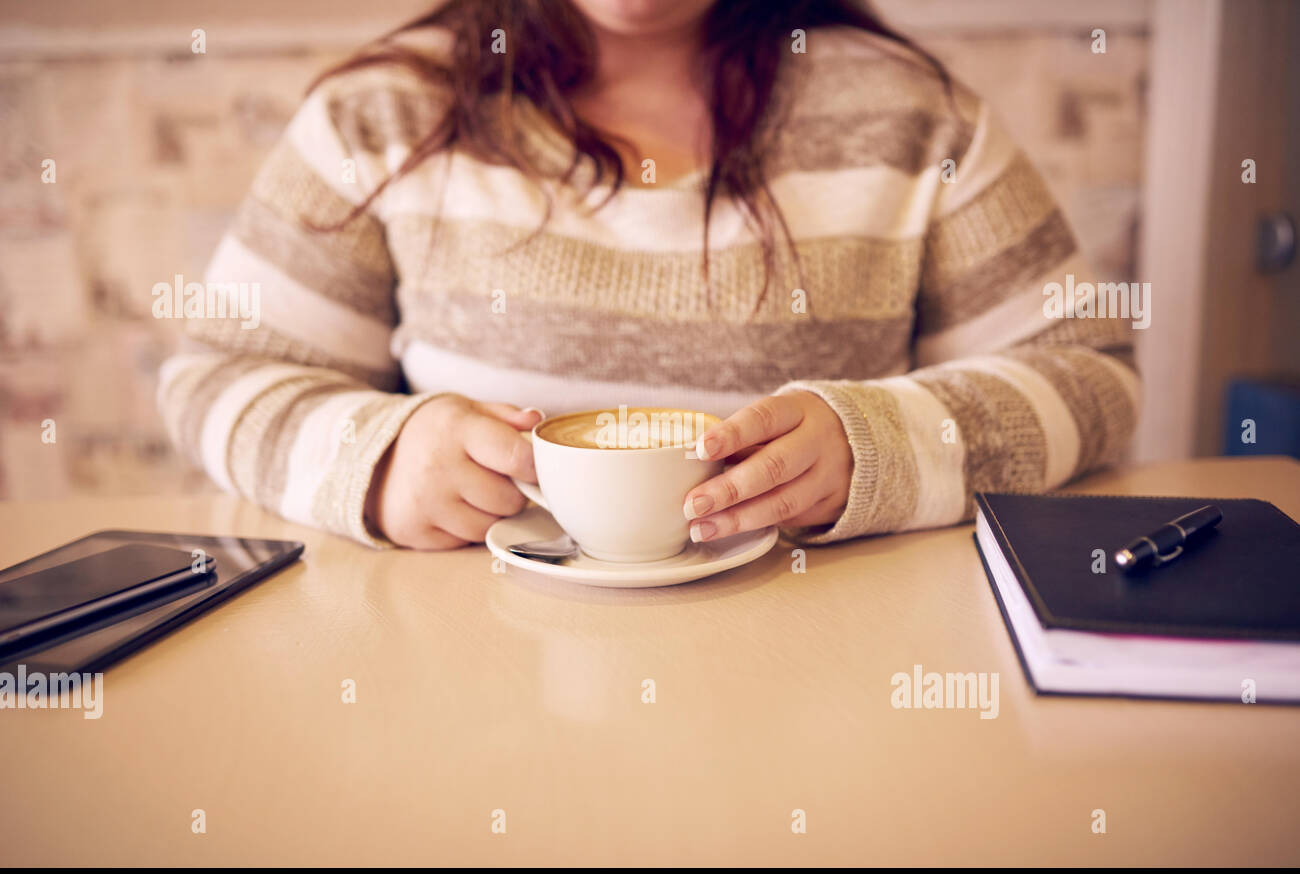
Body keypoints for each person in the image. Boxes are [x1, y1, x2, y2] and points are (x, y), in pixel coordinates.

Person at [158, 0, 1139, 551]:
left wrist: (881, 447)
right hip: (472, 705)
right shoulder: (383, 115)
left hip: (826, 694)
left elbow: (1089, 378)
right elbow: (215, 375)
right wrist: (373, 459)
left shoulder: (911, 114)